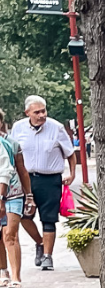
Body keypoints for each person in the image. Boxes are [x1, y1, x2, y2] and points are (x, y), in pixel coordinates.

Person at [10, 96, 75, 271]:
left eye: (43, 111)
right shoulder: (18, 128)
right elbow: (11, 152)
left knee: (48, 218)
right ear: (27, 113)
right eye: (37, 112)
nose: (41, 115)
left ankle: (47, 256)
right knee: (24, 215)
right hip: (26, 179)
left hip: (50, 179)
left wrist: (72, 174)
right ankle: (39, 242)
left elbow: (70, 153)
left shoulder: (56, 128)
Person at [0, 108, 36, 288]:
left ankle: (16, 276)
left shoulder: (11, 144)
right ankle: (3, 270)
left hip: (13, 193)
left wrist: (29, 195)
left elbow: (22, 170)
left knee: (10, 234)